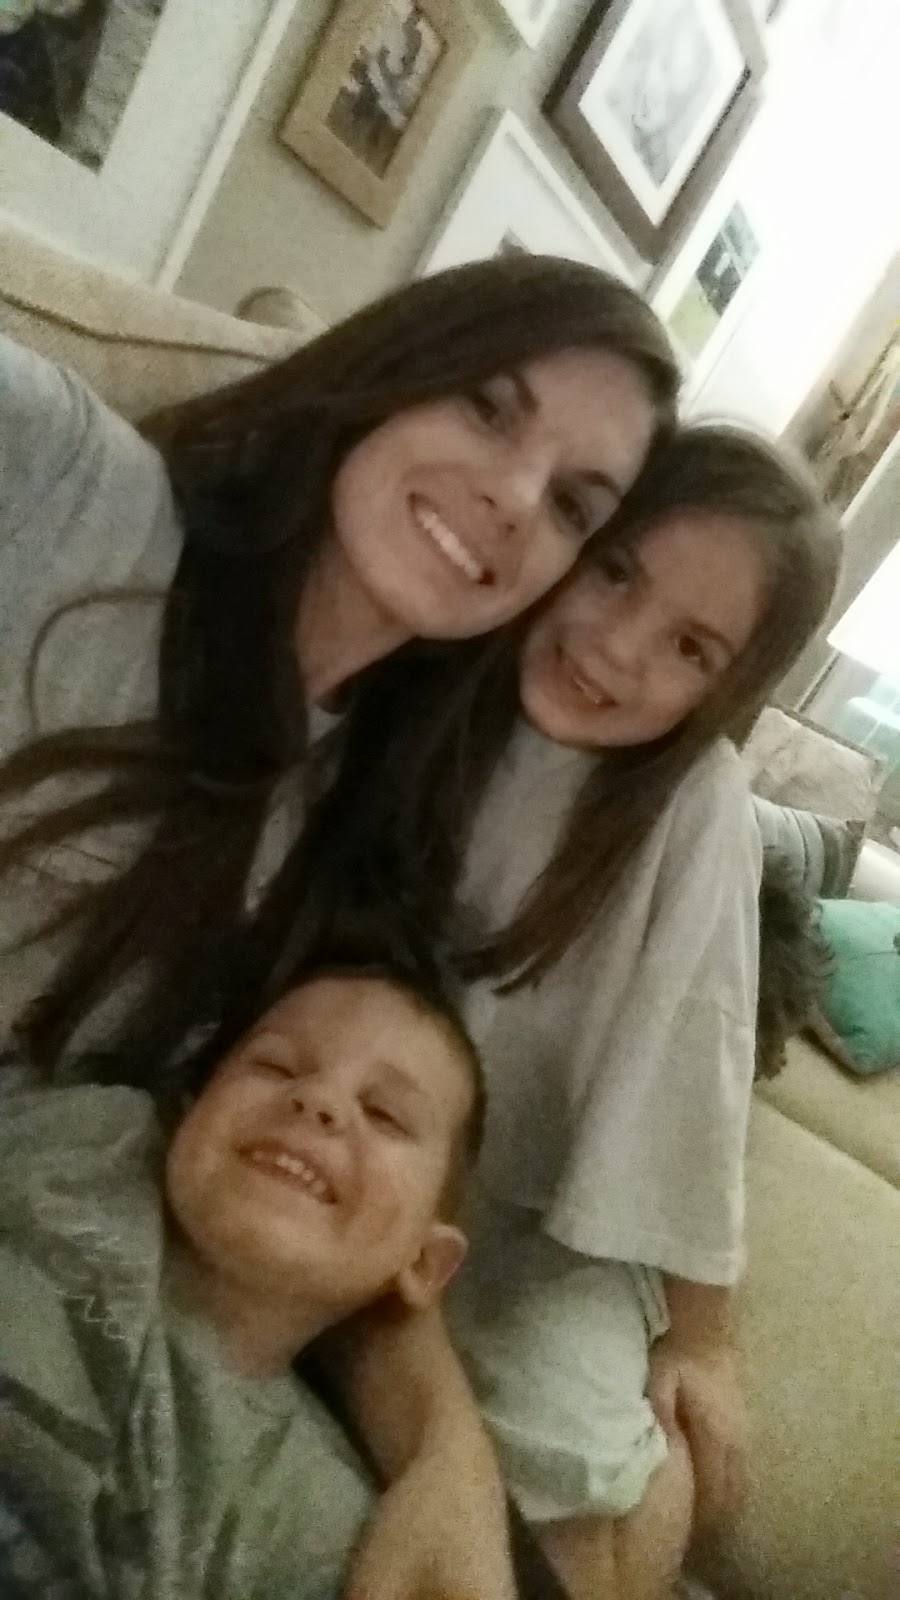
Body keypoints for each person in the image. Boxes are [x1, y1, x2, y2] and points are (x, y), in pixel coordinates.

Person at [227, 423, 841, 1600]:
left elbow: (697, 1067)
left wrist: (701, 1336)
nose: (616, 646)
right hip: (364, 1139)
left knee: (579, 1471)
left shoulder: (694, 806)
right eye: (616, 572)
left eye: (691, 645)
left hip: (546, 1220)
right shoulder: (432, 682)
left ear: (728, 689)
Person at [0, 253, 677, 1070]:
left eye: (571, 505)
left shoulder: (363, 817)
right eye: (487, 408)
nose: (518, 499)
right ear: (396, 368)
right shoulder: (70, 482)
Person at [0, 960, 488, 1600]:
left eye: (383, 1114)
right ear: (189, 1106)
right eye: (276, 1066)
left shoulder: (313, 1521)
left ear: (423, 1264)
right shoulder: (91, 1132)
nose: (317, 1100)